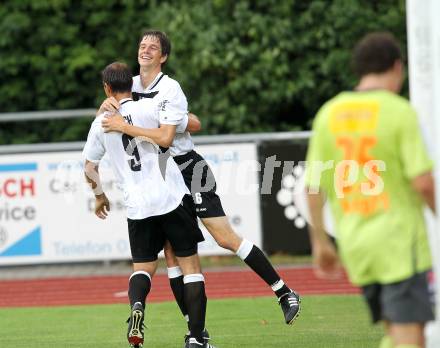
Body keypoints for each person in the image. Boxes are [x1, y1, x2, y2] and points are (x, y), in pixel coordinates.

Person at [99, 30, 301, 335]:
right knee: (173, 256)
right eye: (142, 45)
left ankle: (284, 291)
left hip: (187, 166)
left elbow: (181, 129)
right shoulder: (130, 87)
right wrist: (107, 109)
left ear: (163, 56)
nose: (146, 50)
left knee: (224, 237)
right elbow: (111, 111)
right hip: (161, 172)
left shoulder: (169, 88)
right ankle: (196, 333)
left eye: (153, 47)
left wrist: (130, 123)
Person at [305, 32, 436, 348]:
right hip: (400, 243)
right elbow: (422, 181)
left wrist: (321, 242)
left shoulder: (329, 113)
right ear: (396, 67)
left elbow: (313, 186)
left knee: (396, 333)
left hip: (357, 245)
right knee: (410, 338)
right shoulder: (398, 111)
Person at [83, 62, 216, 348]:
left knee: (142, 268)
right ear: (131, 86)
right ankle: (196, 339)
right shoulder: (150, 108)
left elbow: (89, 167)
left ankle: (137, 308)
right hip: (169, 198)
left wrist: (99, 196)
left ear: (106, 89)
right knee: (191, 267)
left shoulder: (100, 124)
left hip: (137, 207)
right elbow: (185, 126)